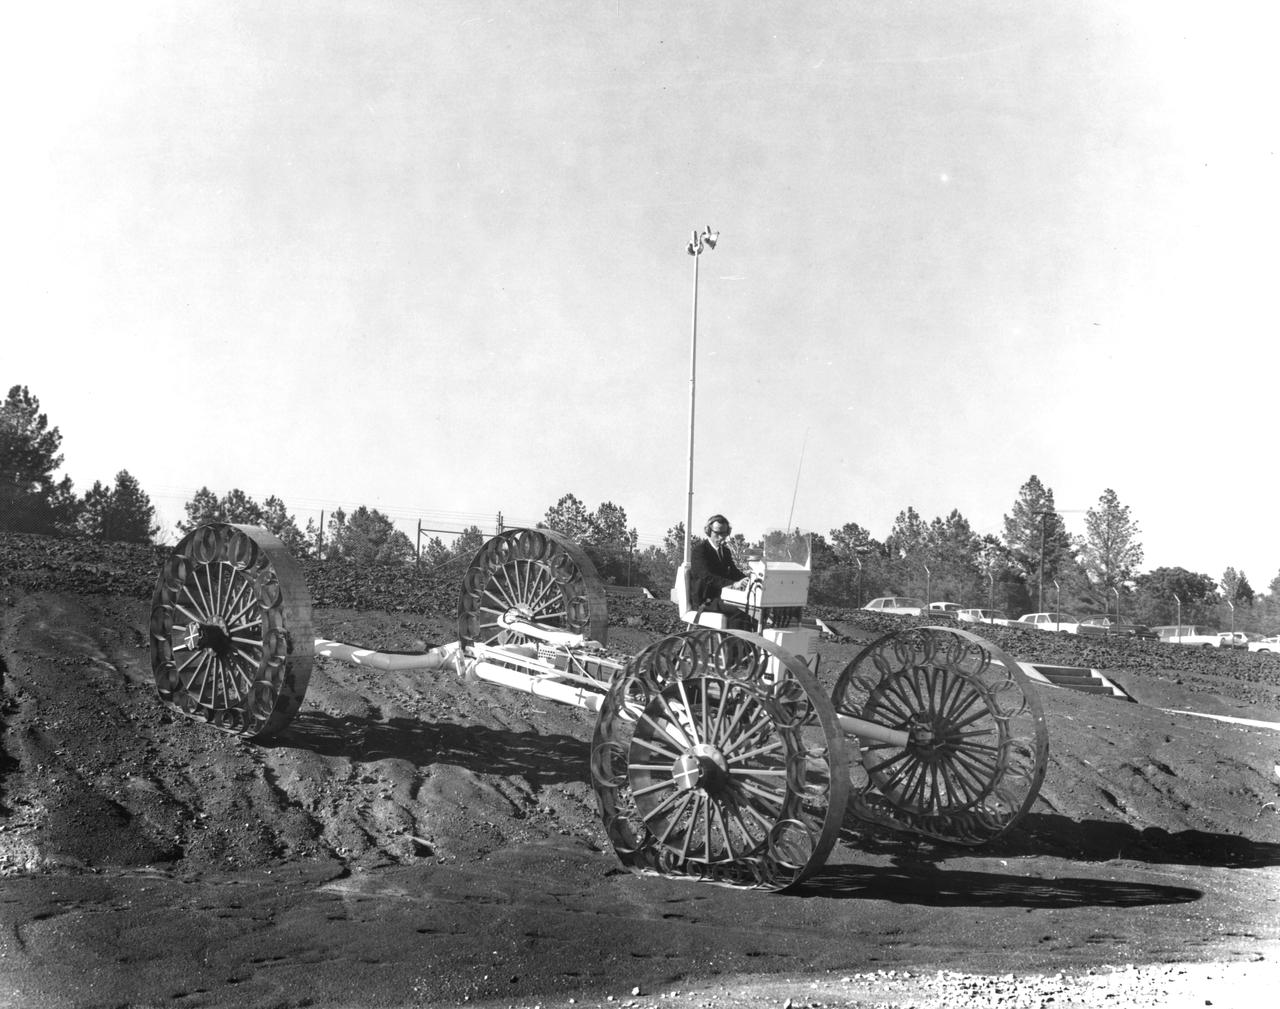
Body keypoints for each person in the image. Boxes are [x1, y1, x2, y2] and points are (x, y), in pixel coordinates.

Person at [688, 514, 755, 632]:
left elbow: (734, 572)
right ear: (708, 531)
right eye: (717, 533)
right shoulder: (700, 551)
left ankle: (746, 647)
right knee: (740, 610)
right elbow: (707, 577)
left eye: (724, 534)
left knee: (753, 610)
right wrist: (734, 584)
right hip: (706, 601)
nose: (721, 537)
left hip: (722, 598)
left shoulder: (725, 551)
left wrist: (751, 580)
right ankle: (734, 649)